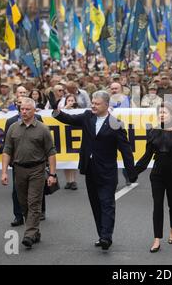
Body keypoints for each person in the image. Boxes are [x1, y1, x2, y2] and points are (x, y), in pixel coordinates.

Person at [49, 90, 137, 250]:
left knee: (107, 204)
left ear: (106, 105)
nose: (93, 106)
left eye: (97, 104)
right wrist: (56, 110)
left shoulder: (116, 124)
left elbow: (126, 150)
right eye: (93, 103)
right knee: (96, 204)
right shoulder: (87, 116)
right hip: (90, 170)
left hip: (107, 171)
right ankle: (101, 234)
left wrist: (131, 172)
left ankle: (106, 237)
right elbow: (67, 119)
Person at [134, 103, 172, 253]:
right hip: (157, 174)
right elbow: (147, 156)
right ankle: (156, 239)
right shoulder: (153, 132)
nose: (161, 115)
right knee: (157, 205)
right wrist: (134, 171)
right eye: (159, 112)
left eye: (164, 112)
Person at [2, 98, 57, 249]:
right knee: (23, 202)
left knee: (34, 202)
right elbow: (7, 150)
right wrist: (4, 172)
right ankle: (35, 232)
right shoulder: (13, 128)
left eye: (27, 109)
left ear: (34, 111)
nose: (24, 112)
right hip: (19, 170)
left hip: (37, 170)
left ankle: (29, 234)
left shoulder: (42, 129)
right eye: (22, 109)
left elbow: (51, 152)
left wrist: (52, 174)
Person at [4, 96, 45, 227]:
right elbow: (7, 145)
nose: (24, 110)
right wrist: (6, 168)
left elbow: (46, 144)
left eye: (26, 107)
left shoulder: (38, 120)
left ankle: (38, 215)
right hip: (18, 163)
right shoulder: (10, 123)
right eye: (21, 105)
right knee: (17, 191)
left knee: (36, 191)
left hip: (36, 163)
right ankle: (18, 216)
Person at [62, 94, 79, 190]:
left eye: (73, 100)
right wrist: (66, 107)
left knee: (73, 159)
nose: (71, 102)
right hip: (65, 136)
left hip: (74, 136)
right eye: (69, 100)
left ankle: (73, 180)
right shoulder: (63, 109)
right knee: (65, 159)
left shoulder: (79, 110)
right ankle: (68, 180)